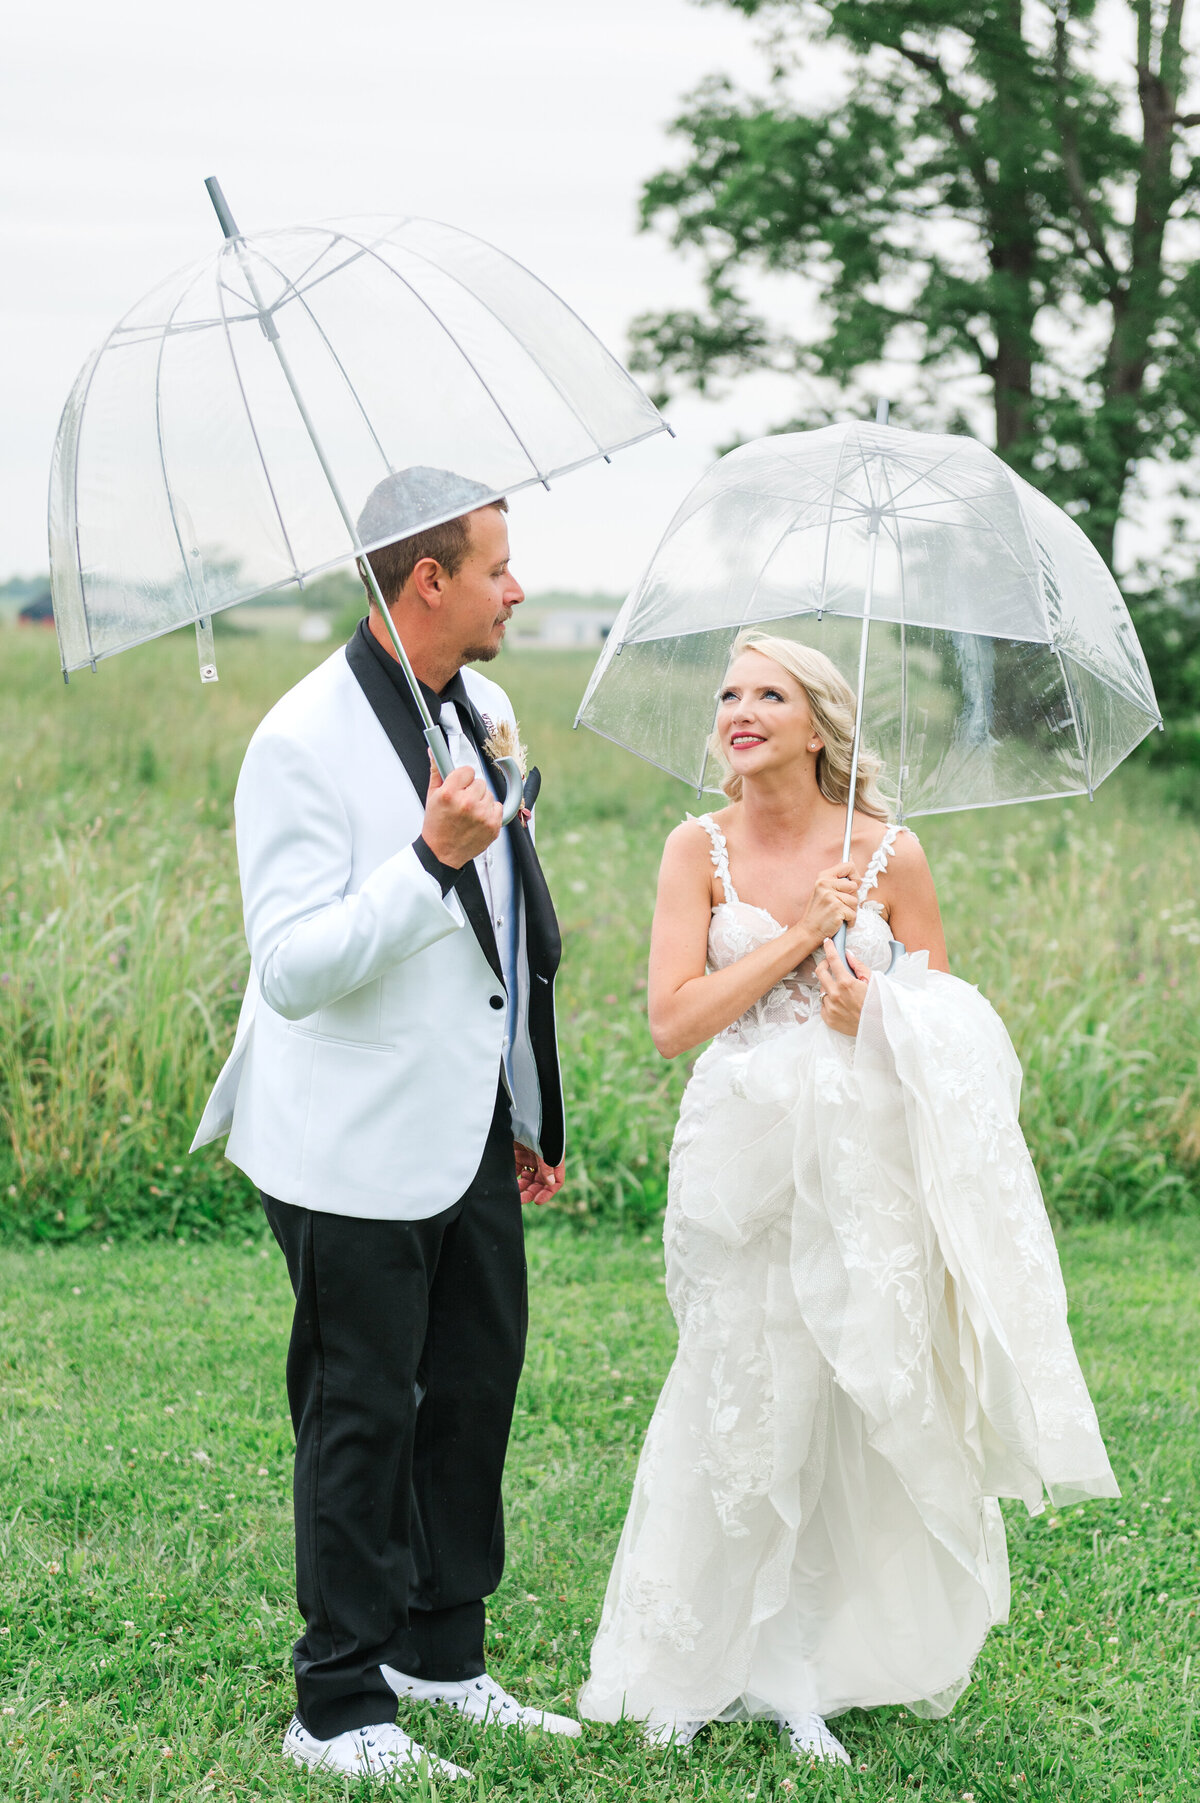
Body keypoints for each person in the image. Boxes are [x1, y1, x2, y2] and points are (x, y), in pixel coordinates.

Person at [580, 632, 1118, 1764]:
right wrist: (801, 937)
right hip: (739, 1157)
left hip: (863, 1159)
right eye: (729, 691)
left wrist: (872, 1007)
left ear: (817, 725)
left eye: (768, 693)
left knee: (851, 1391)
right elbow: (675, 1020)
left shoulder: (892, 857)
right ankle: (694, 1659)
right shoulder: (698, 849)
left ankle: (802, 1667)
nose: (739, 708)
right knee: (737, 1382)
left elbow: (952, 1025)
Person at [192, 468, 579, 1783]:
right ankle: (340, 1702)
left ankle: (442, 1653)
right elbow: (293, 967)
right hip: (344, 1131)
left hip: (468, 1114)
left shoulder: (489, 704)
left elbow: (514, 924)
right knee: (364, 1406)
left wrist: (527, 1096)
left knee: (473, 1385)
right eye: (497, 567)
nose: (516, 588)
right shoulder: (298, 741)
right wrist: (426, 860)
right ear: (429, 579)